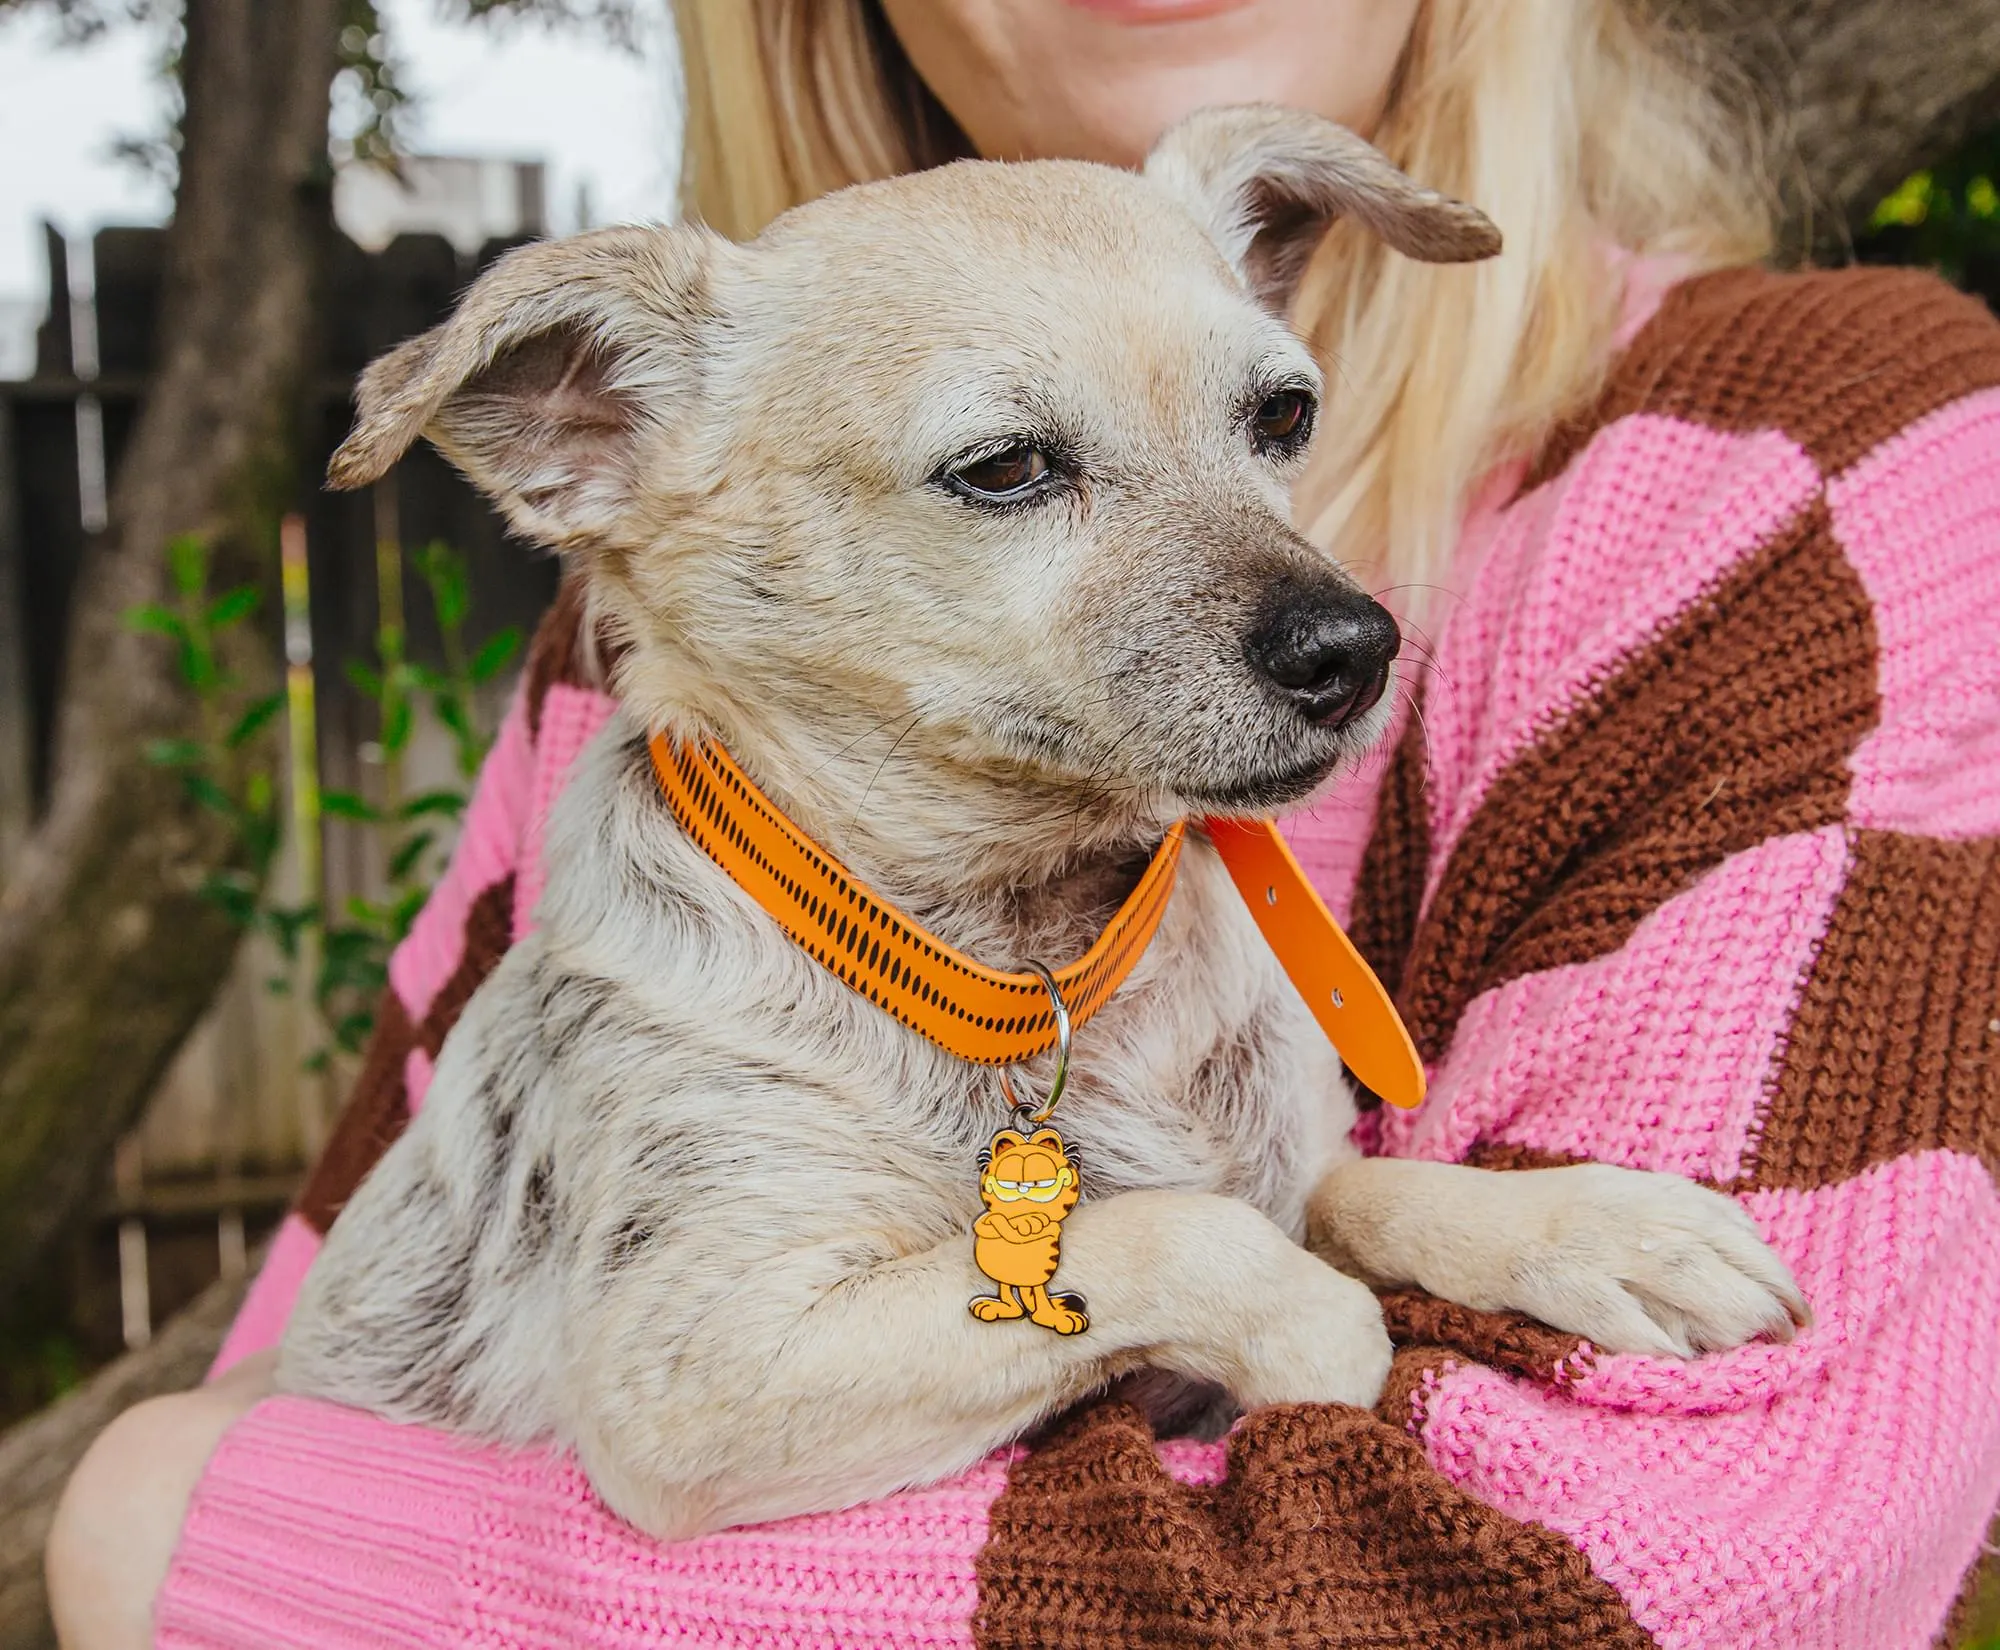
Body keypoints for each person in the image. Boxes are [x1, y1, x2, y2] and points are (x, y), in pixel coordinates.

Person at [47, 1, 2000, 1645]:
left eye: (1265, 423)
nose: (1312, 615)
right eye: (1008, 466)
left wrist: (199, 1546)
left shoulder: (1846, 485)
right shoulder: (641, 698)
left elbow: (1710, 1560)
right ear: (596, 435)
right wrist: (1194, 1273)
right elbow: (675, 1405)